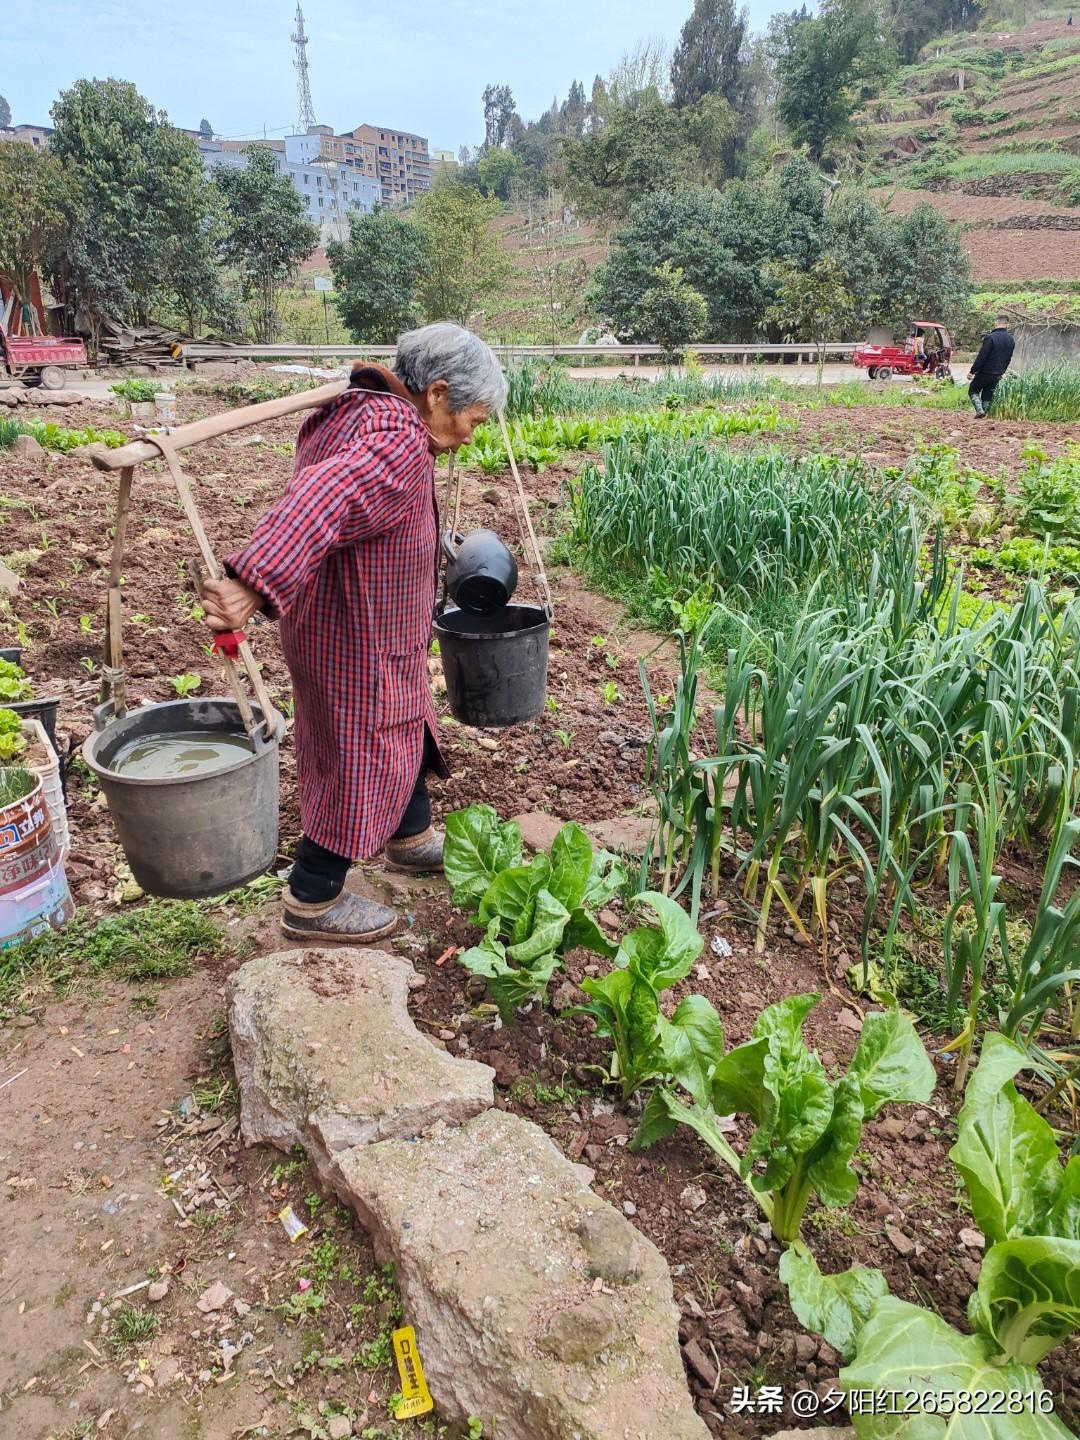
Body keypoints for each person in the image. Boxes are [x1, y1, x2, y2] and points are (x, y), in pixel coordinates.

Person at [201, 323, 506, 941]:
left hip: (358, 625)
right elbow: (326, 495)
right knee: (358, 755)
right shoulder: (396, 435)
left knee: (404, 728)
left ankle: (409, 835)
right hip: (355, 638)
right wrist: (252, 582)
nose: (470, 436)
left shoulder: (361, 409)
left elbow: (353, 506)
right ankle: (313, 899)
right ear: (438, 393)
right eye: (472, 419)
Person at [967, 315, 1015, 417]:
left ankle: (980, 411)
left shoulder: (990, 337)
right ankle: (984, 413)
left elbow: (982, 356)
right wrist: (1003, 371)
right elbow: (1008, 358)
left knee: (973, 390)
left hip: (985, 371)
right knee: (988, 393)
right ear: (1007, 325)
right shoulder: (1011, 339)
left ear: (996, 323)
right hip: (998, 373)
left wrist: (972, 371)